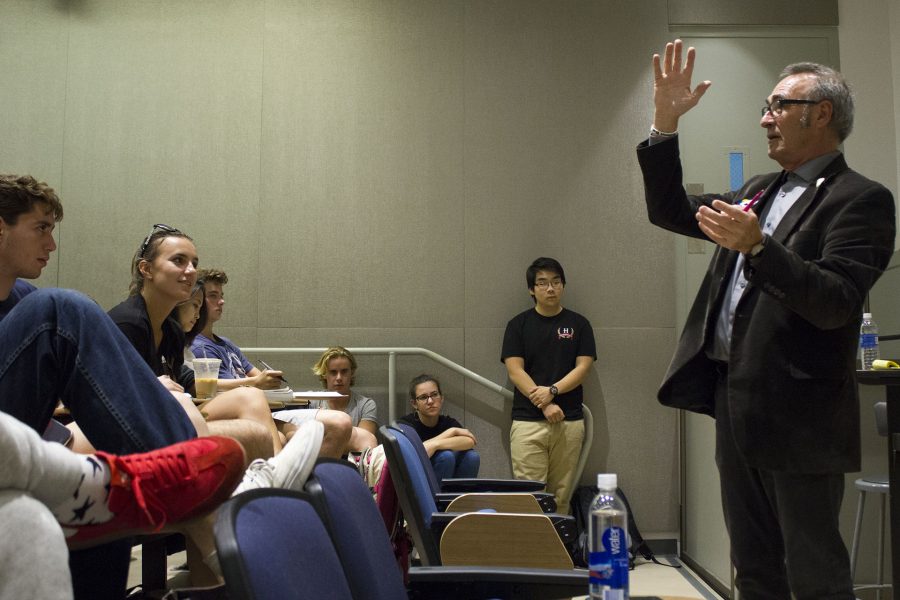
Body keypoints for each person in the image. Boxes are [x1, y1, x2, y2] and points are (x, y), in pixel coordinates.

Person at [638, 40, 896, 599]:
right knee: (753, 567)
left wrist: (759, 249)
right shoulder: (759, 190)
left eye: (778, 106)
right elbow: (673, 211)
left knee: (813, 571)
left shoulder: (862, 200)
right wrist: (663, 124)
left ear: (820, 113)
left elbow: (835, 299)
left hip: (802, 413)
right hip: (738, 401)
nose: (765, 119)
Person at [0, 174, 240, 598]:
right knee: (61, 309)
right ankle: (203, 500)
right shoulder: (42, 315)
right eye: (41, 229)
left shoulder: (20, 300)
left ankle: (197, 489)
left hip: (22, 443)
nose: (51, 245)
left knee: (104, 496)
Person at [501, 257, 596, 514]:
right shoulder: (517, 325)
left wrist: (552, 391)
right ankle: (533, 554)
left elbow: (583, 368)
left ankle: (558, 554)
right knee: (530, 497)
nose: (550, 288)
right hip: (528, 423)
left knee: (561, 497)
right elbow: (515, 371)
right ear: (532, 289)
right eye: (542, 283)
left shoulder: (579, 324)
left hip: (569, 422)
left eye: (556, 282)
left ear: (563, 285)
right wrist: (545, 404)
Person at [190, 268, 284, 391]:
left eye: (221, 296)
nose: (222, 301)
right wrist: (255, 382)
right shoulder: (199, 347)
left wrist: (267, 380)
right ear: (199, 299)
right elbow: (233, 389)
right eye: (213, 296)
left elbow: (258, 378)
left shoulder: (226, 343)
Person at [398, 374, 479, 481]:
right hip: (418, 481)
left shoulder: (447, 422)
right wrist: (450, 432)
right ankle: (438, 498)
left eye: (434, 394)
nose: (430, 401)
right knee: (446, 457)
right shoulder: (406, 424)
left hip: (447, 475)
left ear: (442, 398)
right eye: (423, 397)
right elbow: (415, 452)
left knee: (472, 457)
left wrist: (436, 445)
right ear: (414, 404)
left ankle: (460, 496)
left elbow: (469, 441)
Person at [309, 346, 379, 451]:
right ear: (324, 374)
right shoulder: (311, 401)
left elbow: (365, 443)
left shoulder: (366, 405)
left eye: (344, 371)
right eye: (333, 372)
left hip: (354, 464)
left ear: (352, 373)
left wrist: (323, 435)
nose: (339, 378)